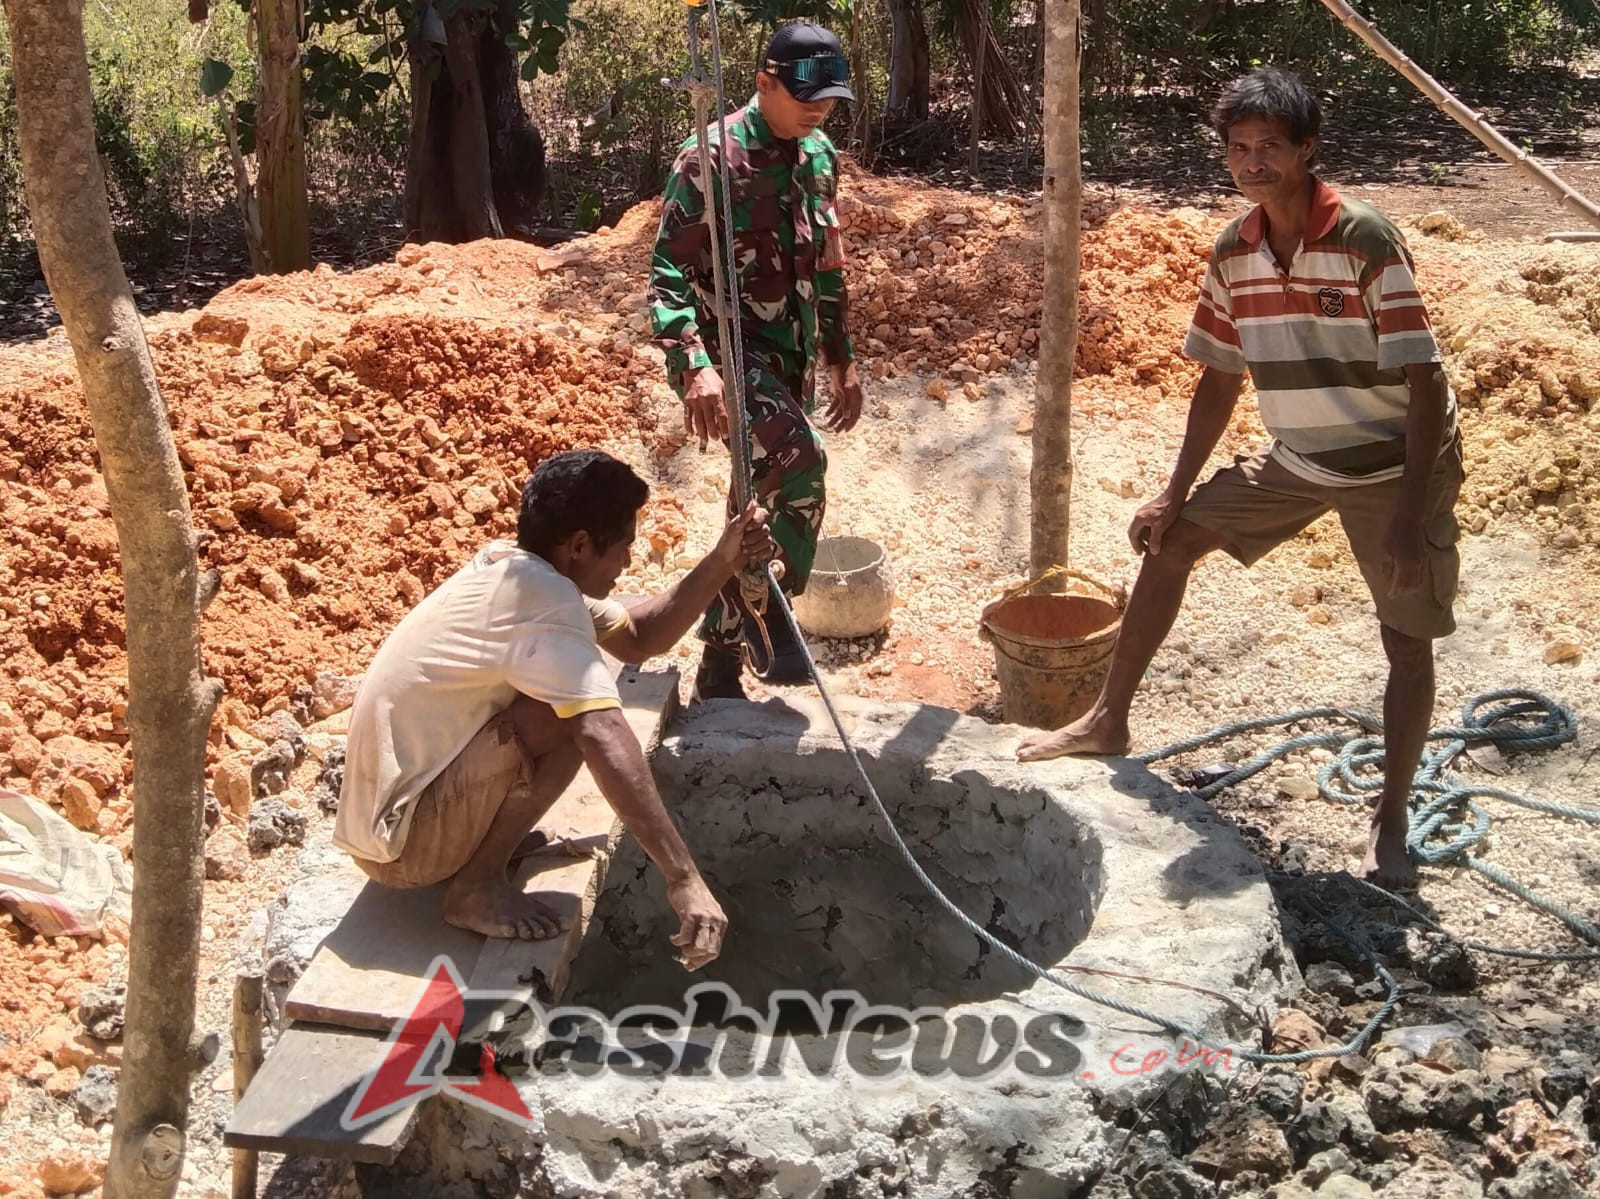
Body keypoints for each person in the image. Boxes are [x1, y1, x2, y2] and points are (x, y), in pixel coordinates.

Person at [1017, 67, 1463, 889]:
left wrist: (1408, 515)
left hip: (1395, 465)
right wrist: (1173, 489)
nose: (1252, 162)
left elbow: (1426, 381)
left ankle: (1391, 817)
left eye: (1269, 147)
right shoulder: (1235, 249)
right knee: (1169, 541)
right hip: (1296, 458)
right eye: (1238, 149)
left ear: (1307, 149)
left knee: (1406, 636)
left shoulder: (1365, 238)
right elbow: (1218, 377)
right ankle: (1107, 719)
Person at [333, 449, 775, 966]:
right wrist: (684, 880)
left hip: (390, 826)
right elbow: (603, 732)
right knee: (573, 718)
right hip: (404, 851)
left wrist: (724, 560)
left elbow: (638, 637)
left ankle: (481, 847)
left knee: (567, 695)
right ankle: (474, 887)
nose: (629, 563)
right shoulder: (543, 603)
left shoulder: (516, 571)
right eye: (625, 549)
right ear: (580, 546)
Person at [650, 20, 866, 702]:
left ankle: (719, 659)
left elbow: (827, 268)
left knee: (754, 499)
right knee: (801, 468)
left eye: (830, 98)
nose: (820, 109)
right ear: (763, 83)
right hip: (727, 355)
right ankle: (769, 615)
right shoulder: (709, 160)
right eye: (807, 95)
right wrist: (696, 367)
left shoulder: (819, 154)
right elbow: (666, 273)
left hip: (789, 356)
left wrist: (843, 359)